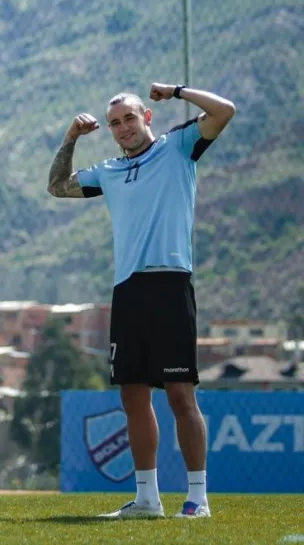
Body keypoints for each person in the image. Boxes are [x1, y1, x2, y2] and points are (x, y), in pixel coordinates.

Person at [47, 83, 236, 519]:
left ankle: (197, 499)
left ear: (146, 118)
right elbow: (57, 186)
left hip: (170, 285)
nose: (122, 128)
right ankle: (147, 499)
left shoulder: (179, 146)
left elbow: (225, 110)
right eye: (114, 123)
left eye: (129, 118)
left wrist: (176, 91)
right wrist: (71, 137)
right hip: (127, 290)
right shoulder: (109, 170)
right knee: (132, 396)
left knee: (180, 396)